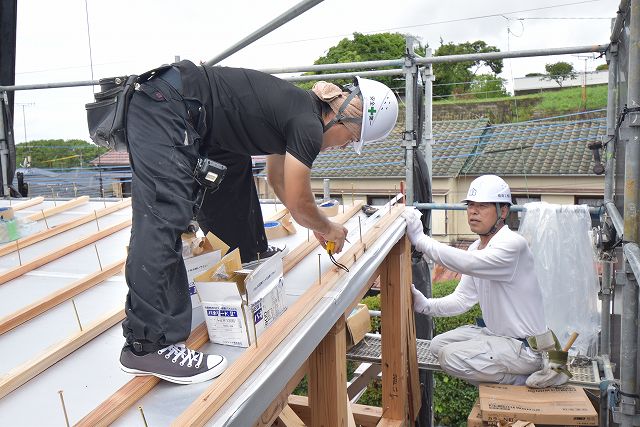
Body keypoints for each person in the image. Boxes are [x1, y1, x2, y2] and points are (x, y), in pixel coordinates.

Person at [117, 60, 399, 384]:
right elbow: (299, 198)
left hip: (186, 110)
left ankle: (243, 265)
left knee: (232, 172)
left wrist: (314, 223)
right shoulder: (308, 125)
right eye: (350, 140)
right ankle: (147, 345)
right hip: (168, 107)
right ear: (342, 117)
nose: (342, 146)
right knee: (164, 217)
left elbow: (279, 182)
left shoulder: (296, 112)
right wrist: (328, 226)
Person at [402, 175, 549, 386]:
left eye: (482, 206)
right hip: (497, 336)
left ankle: (519, 380)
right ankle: (512, 373)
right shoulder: (476, 249)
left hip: (524, 348)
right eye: (470, 205)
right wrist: (426, 305)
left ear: (503, 211)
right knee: (436, 345)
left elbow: (468, 263)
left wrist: (421, 241)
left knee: (450, 357)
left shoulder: (513, 245)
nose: (473, 211)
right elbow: (462, 299)